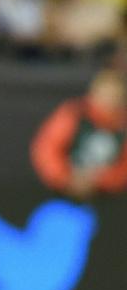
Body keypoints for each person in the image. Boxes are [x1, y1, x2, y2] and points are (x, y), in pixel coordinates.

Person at [31, 67, 127, 202]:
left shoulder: (123, 124)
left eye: (116, 96)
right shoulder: (73, 114)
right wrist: (65, 177)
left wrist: (100, 180)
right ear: (94, 93)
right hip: (61, 191)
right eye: (106, 94)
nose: (110, 101)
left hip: (109, 197)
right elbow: (46, 148)